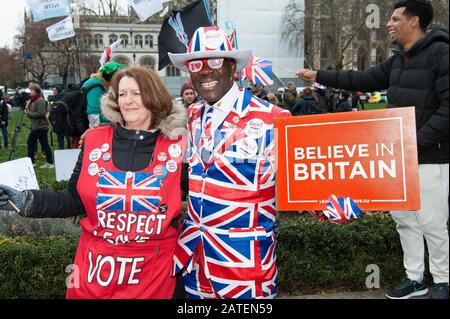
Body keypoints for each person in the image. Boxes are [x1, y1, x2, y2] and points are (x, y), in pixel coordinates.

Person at [297, 0, 449, 299]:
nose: (388, 24)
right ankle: (415, 279)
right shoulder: (397, 60)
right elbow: (362, 79)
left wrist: (414, 143)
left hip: (431, 157)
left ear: (414, 21)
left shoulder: (442, 53)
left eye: (394, 18)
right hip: (400, 158)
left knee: (432, 222)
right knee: (405, 221)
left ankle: (443, 281)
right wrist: (319, 75)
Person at [0, 67, 188, 299]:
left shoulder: (179, 148)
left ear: (154, 96)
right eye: (121, 94)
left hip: (155, 276)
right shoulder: (95, 141)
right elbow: (73, 199)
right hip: (95, 273)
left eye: (136, 93)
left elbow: (205, 200)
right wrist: (24, 200)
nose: (127, 101)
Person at [169, 26, 291, 299]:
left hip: (244, 267)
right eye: (196, 64)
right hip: (195, 264)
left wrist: (332, 205)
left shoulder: (274, 119)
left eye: (214, 61)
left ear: (232, 67)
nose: (204, 71)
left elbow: (303, 183)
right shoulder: (192, 114)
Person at [82, 61, 125, 128]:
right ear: (111, 76)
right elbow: (94, 113)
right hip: (92, 125)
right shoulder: (96, 84)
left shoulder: (100, 82)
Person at [24, 84, 54, 169]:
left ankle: (49, 162)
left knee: (44, 145)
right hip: (35, 127)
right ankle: (32, 162)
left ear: (36, 91)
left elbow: (41, 114)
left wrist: (28, 114)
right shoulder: (32, 100)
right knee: (31, 143)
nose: (30, 92)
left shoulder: (40, 100)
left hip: (41, 127)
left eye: (32, 90)